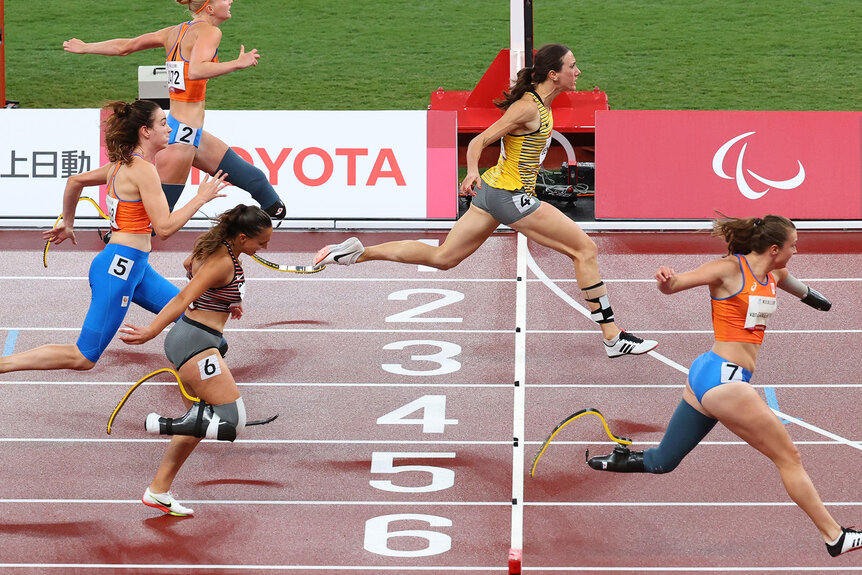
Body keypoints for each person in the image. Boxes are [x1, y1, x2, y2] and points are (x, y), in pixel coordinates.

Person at [314, 44, 656, 357]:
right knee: (585, 250)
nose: (578, 72)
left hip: (493, 194)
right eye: (573, 66)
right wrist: (471, 170)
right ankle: (612, 335)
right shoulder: (527, 109)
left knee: (444, 258)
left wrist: (482, 176)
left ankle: (357, 253)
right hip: (509, 196)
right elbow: (479, 140)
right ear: (554, 74)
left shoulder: (539, 105)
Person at [586, 214, 862, 557]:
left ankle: (615, 459)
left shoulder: (775, 273)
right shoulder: (728, 270)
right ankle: (834, 536)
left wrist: (819, 302)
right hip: (725, 379)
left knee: (662, 461)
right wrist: (665, 278)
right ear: (775, 248)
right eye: (794, 244)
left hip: (707, 374)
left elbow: (802, 290)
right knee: (788, 457)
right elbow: (673, 286)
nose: (797, 248)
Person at [0, 99, 226, 375]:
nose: (169, 129)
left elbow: (75, 181)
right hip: (118, 269)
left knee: (198, 319)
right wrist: (199, 199)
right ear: (145, 131)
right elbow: (165, 228)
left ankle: (204, 392)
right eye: (163, 123)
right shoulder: (143, 169)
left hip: (136, 267)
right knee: (83, 356)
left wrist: (68, 223)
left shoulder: (120, 165)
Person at [62, 0, 286, 222]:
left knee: (263, 191)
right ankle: (120, 240)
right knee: (156, 223)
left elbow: (126, 47)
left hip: (187, 131)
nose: (230, 1)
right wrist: (237, 63)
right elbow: (196, 70)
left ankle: (254, 230)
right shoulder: (210, 32)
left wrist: (85, 47)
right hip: (181, 139)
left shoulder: (174, 32)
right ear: (209, 7)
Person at [119, 204, 272, 517]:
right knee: (231, 422)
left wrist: (227, 301)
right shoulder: (221, 260)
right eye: (261, 243)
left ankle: (158, 490)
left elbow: (189, 264)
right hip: (194, 342)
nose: (264, 248)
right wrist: (150, 331)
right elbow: (181, 298)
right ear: (243, 238)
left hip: (201, 339)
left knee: (202, 420)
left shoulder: (215, 246)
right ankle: (162, 424)